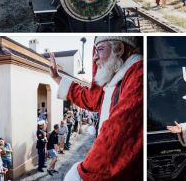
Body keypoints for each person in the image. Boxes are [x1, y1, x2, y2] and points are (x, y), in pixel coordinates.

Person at [49, 36, 143, 181]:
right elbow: (90, 99)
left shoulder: (137, 74)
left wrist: (82, 174)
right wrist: (56, 77)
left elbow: (117, 134)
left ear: (119, 48)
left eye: (100, 49)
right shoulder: (116, 78)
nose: (94, 58)